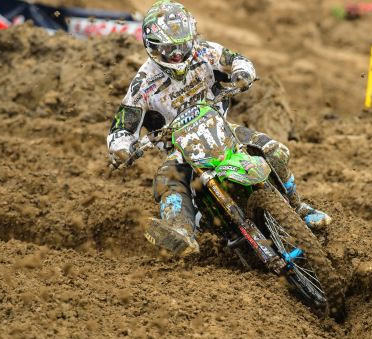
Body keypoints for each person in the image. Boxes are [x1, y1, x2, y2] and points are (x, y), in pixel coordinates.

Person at [107, 0, 331, 256]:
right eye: (170, 49)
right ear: (154, 47)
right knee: (167, 181)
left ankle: (298, 206)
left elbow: (238, 60)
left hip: (222, 129)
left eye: (183, 45)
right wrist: (122, 148)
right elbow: (121, 129)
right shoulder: (143, 85)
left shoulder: (206, 52)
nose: (178, 54)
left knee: (274, 151)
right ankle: (181, 230)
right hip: (181, 150)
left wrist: (242, 74)